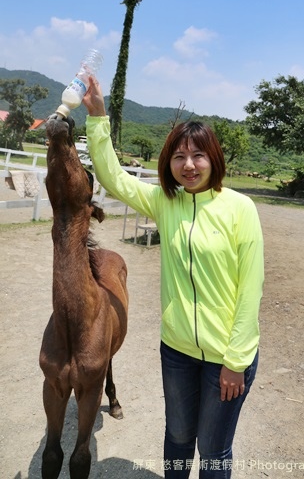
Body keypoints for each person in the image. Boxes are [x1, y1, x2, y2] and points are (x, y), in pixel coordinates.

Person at [82, 78, 265, 479]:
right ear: (168, 162)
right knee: (179, 438)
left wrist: (236, 362)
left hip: (227, 359)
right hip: (178, 352)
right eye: (179, 157)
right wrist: (98, 116)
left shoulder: (240, 208)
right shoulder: (165, 202)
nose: (189, 165)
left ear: (214, 159)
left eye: (198, 155)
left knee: (214, 450)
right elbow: (114, 178)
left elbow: (251, 291)